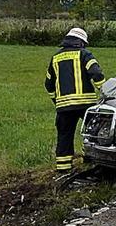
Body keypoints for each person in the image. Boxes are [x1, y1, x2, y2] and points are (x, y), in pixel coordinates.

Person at [45, 27, 105, 174]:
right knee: (94, 133)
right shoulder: (84, 54)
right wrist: (106, 92)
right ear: (81, 42)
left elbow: (48, 84)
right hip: (86, 104)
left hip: (64, 107)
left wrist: (56, 101)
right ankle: (94, 161)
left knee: (64, 136)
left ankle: (63, 169)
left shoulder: (56, 58)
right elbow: (96, 73)